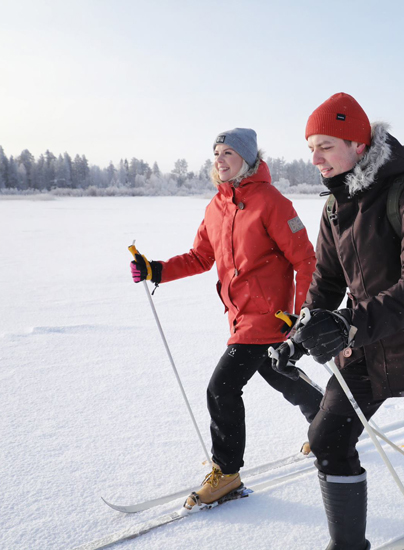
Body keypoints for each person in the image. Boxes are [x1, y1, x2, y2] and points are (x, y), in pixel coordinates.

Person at [272, 93, 404, 550]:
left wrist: (349, 325)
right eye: (311, 147)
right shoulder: (334, 207)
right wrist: (298, 336)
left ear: (357, 143)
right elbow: (326, 284)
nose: (315, 158)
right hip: (366, 350)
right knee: (328, 438)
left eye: (326, 145)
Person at [129, 128, 322, 510]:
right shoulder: (216, 207)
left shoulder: (271, 202)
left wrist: (301, 314)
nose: (219, 159)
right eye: (216, 153)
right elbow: (201, 257)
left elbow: (306, 259)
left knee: (221, 388)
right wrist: (156, 270)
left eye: (228, 152)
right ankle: (329, 422)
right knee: (277, 373)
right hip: (239, 316)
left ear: (247, 159)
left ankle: (227, 473)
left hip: (270, 315)